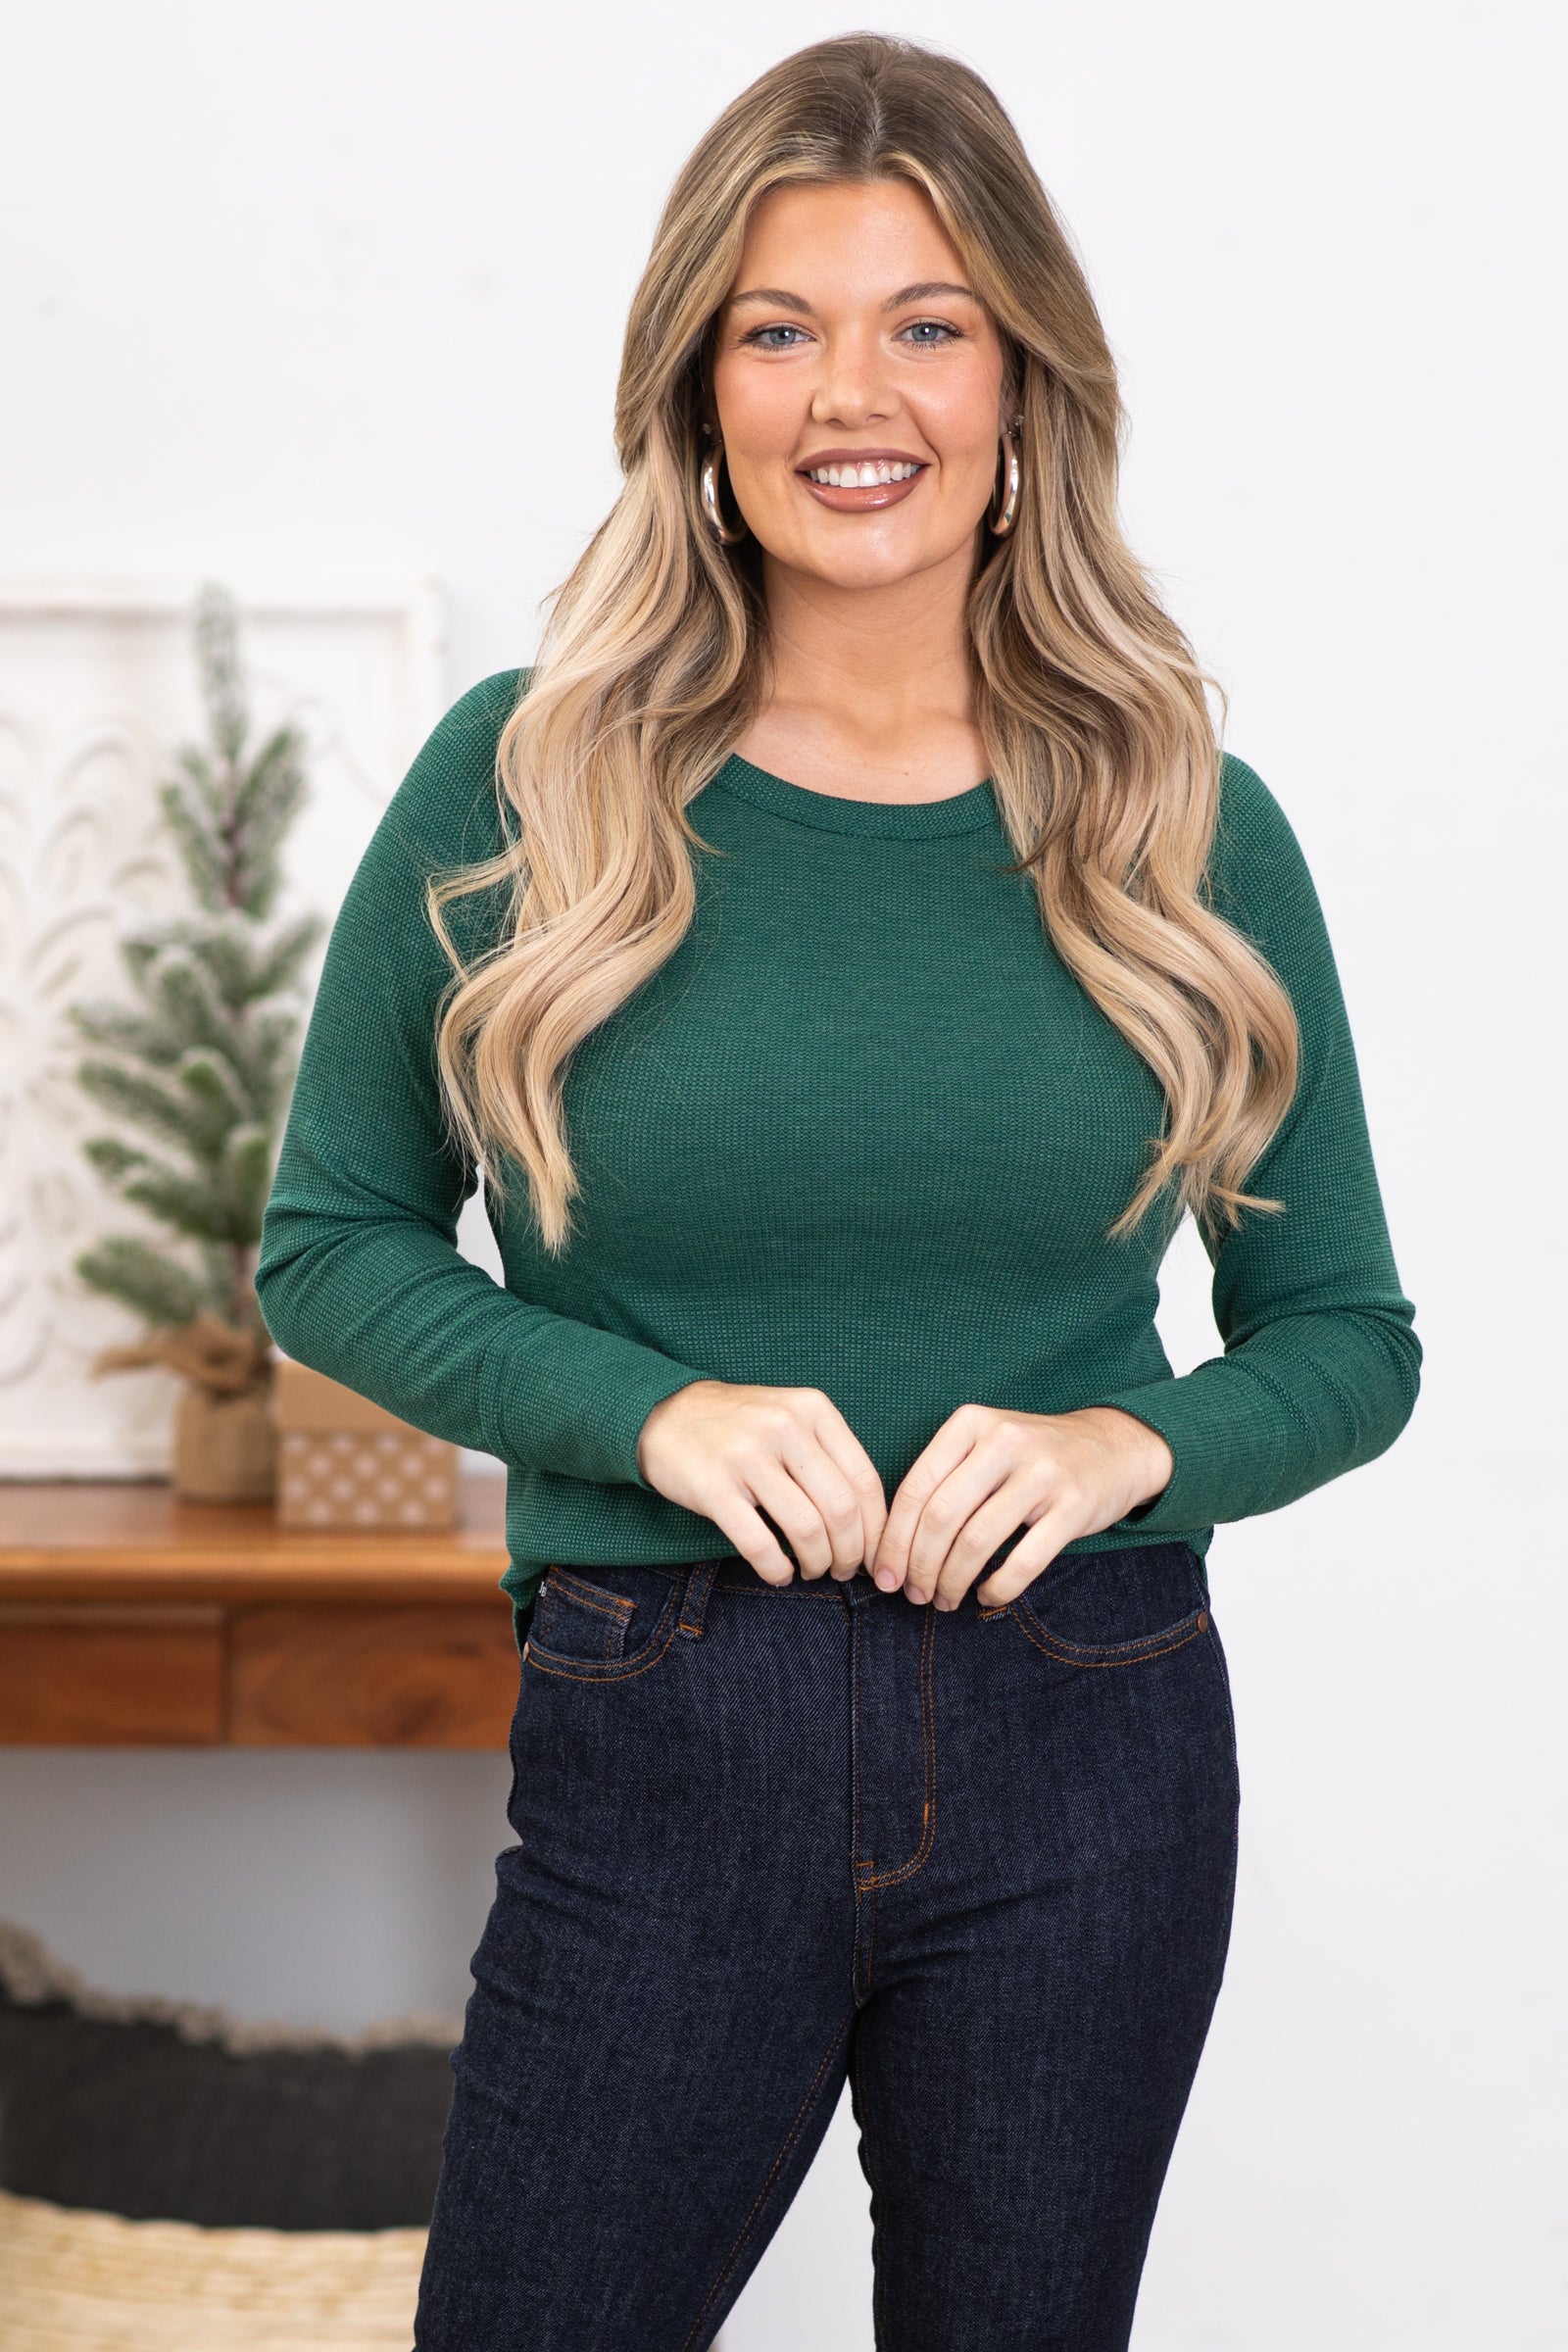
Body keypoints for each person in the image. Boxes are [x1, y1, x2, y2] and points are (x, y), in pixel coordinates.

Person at [255, 32, 1421, 2351]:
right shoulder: (524, 781)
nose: (849, 396)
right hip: (662, 1720)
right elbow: (333, 1247)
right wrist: (644, 1412)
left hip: (1087, 1738)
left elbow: (1345, 1344)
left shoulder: (1182, 827)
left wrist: (1121, 1448)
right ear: (698, 387)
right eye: (777, 328)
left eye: (926, 325)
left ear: (1019, 383)